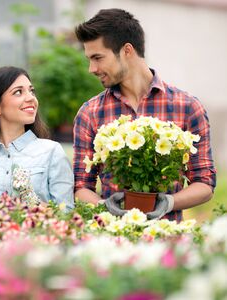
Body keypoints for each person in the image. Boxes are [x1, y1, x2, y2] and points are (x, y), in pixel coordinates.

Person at [73, 8, 216, 220]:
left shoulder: (187, 107)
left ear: (127, 51)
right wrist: (104, 206)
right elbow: (80, 187)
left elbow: (204, 183)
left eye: (97, 58)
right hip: (111, 243)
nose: (91, 68)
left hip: (168, 243)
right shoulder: (90, 113)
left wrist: (169, 202)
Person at [0, 66, 75, 211]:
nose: (31, 98)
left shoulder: (52, 152)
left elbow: (66, 214)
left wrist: (33, 203)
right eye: (18, 92)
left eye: (31, 91)